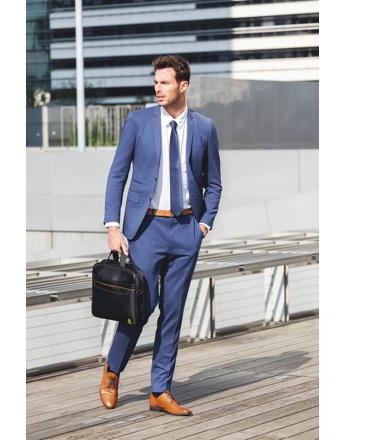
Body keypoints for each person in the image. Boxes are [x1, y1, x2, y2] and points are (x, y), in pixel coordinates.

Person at [100, 54, 222, 416]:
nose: (158, 88)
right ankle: (112, 370)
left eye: (165, 82)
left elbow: (214, 183)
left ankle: (160, 389)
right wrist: (113, 226)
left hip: (186, 229)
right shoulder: (138, 122)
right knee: (141, 305)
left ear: (183, 86)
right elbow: (117, 175)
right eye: (155, 82)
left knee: (173, 311)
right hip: (146, 229)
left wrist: (203, 225)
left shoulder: (204, 127)